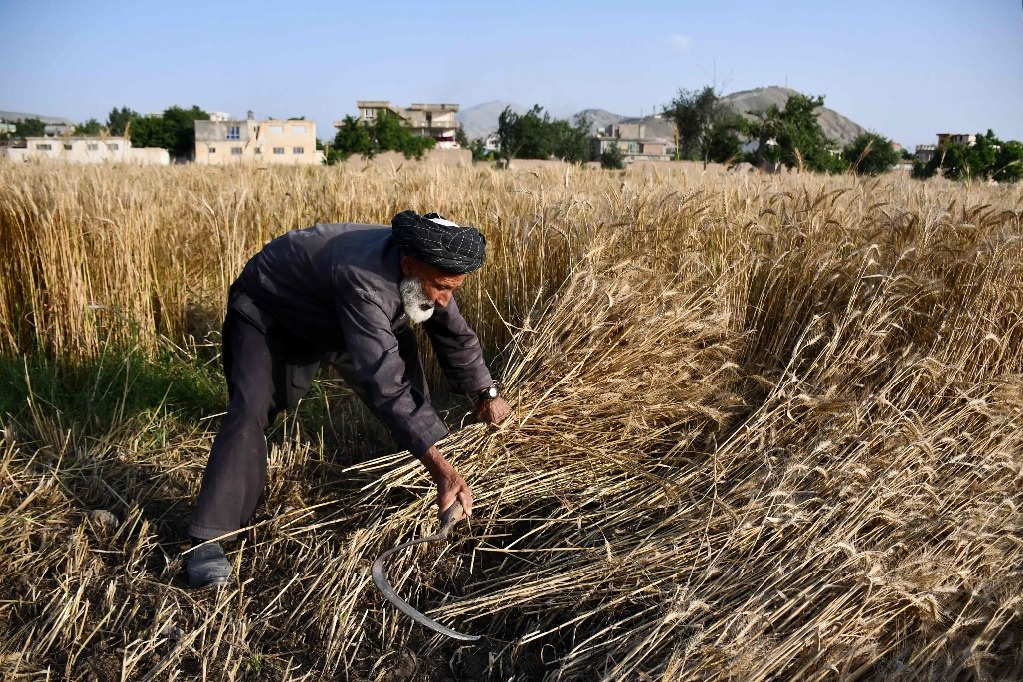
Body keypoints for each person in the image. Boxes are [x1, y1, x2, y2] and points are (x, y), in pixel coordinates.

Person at [186, 210, 512, 588]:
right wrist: (444, 469)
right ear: (409, 265)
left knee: (414, 397)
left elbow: (454, 334)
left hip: (337, 314)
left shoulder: (430, 269)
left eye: (453, 288)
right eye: (442, 287)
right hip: (273, 308)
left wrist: (487, 393)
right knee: (251, 410)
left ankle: (410, 488)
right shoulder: (366, 282)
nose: (444, 300)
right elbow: (385, 385)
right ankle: (208, 540)